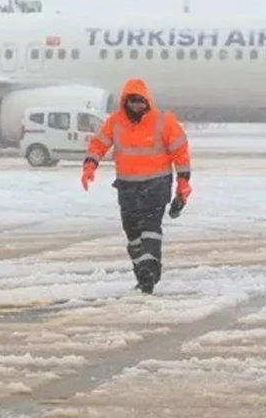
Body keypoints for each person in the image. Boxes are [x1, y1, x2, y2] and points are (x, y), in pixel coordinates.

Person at [80, 78, 192, 294]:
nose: (137, 107)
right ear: (125, 102)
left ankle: (149, 271)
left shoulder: (163, 122)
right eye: (133, 102)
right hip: (128, 186)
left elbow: (181, 153)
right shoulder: (115, 122)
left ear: (147, 101)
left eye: (141, 102)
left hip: (156, 185)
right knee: (132, 233)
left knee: (150, 229)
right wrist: (90, 166)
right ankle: (143, 271)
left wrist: (183, 183)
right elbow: (98, 144)